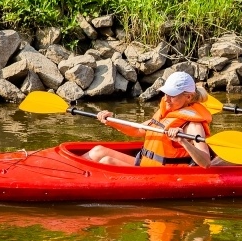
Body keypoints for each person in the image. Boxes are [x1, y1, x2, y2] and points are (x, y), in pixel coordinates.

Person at [82, 71, 214, 168]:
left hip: (161, 173)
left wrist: (183, 141)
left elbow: (206, 162)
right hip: (145, 162)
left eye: (172, 95)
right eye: (166, 93)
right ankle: (68, 171)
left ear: (189, 97)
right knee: (97, 150)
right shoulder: (169, 111)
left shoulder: (193, 125)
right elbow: (138, 130)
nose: (166, 98)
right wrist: (111, 121)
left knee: (107, 162)